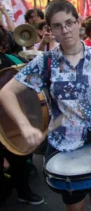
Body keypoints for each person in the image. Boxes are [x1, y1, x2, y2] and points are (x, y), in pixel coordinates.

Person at [0, 0, 91, 211]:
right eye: (58, 26)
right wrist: (24, 126)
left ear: (79, 22)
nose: (66, 30)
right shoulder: (46, 62)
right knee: (75, 207)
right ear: (51, 30)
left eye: (70, 23)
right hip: (65, 145)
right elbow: (6, 93)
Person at [0, 22, 44, 207]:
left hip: (9, 118)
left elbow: (27, 76)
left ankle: (24, 192)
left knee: (18, 158)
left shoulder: (10, 60)